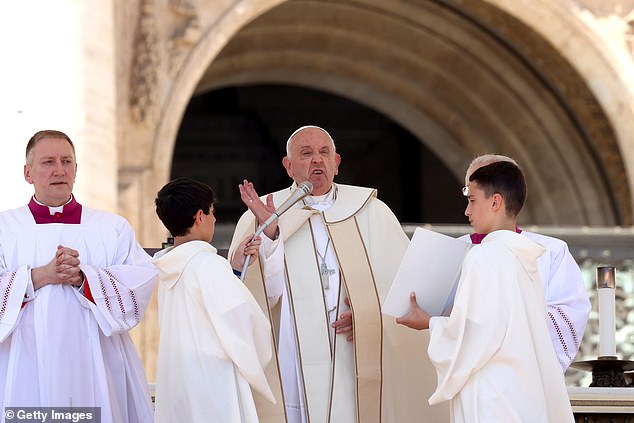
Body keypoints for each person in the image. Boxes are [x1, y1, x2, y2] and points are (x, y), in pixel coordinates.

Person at [229, 126, 447, 423]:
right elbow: (257, 296)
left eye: (324, 153)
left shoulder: (372, 212)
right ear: (288, 166)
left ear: (337, 162)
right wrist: (270, 236)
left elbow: (404, 287)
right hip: (295, 353)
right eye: (306, 154)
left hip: (357, 347)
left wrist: (369, 315)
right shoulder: (268, 212)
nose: (316, 160)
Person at [397, 161, 574, 422]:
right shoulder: (524, 258)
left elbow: (476, 335)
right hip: (522, 391)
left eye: (472, 200)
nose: (467, 211)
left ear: (495, 202)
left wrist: (430, 323)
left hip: (492, 394)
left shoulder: (485, 257)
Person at [0, 130, 157, 422]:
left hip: (96, 358)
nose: (59, 170)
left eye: (67, 161)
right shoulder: (5, 228)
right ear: (28, 172)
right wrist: (40, 276)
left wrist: (85, 279)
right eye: (48, 162)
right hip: (24, 360)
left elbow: (140, 281)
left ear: (76, 169)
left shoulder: (111, 227)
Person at [152, 177, 275, 423]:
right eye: (212, 212)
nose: (215, 219)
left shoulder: (168, 268)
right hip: (213, 389)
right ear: (199, 217)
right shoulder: (209, 265)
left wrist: (235, 270)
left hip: (180, 387)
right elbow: (244, 323)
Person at [460, 154, 590, 371]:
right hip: (467, 376)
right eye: (469, 195)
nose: (468, 209)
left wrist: (500, 329)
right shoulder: (453, 250)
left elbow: (569, 314)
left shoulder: (551, 251)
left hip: (526, 375)